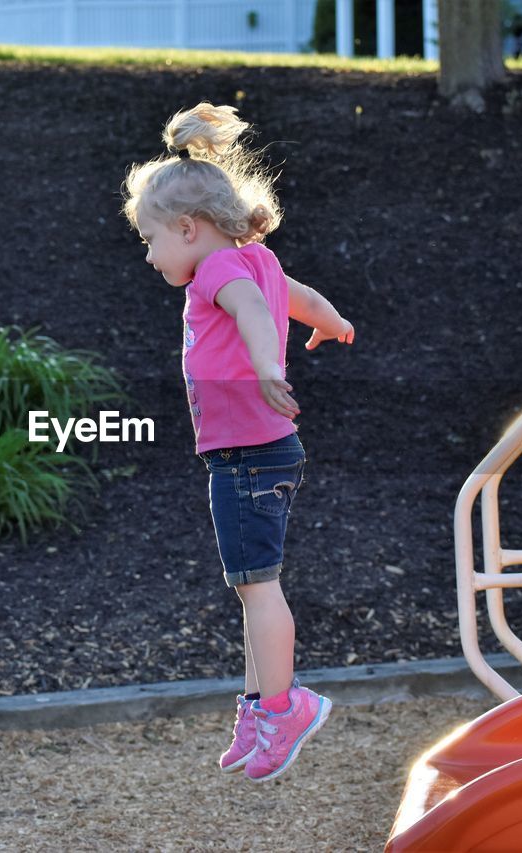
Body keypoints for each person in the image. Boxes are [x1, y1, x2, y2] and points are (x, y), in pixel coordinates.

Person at [122, 103, 356, 783]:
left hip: (249, 457)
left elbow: (259, 312)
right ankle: (260, 707)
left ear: (188, 229)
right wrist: (332, 320)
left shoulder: (220, 274)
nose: (149, 252)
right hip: (258, 455)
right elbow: (295, 295)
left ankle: (285, 708)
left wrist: (267, 367)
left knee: (259, 590)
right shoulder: (253, 260)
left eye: (151, 238)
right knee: (251, 587)